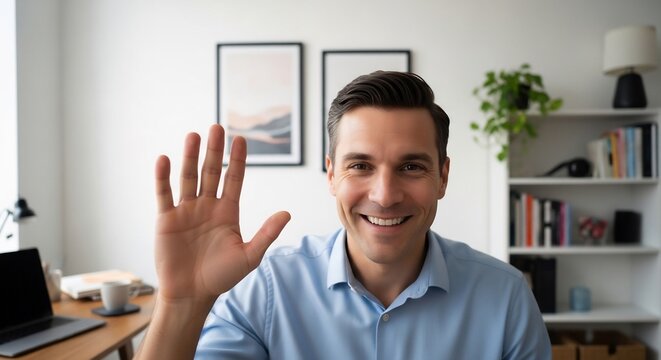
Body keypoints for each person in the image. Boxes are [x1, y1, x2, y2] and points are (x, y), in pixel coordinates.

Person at [136, 71, 551, 359]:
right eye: (360, 166)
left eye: (411, 166)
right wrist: (180, 304)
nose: (385, 196)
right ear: (331, 174)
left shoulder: (507, 298)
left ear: (442, 176)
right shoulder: (266, 291)